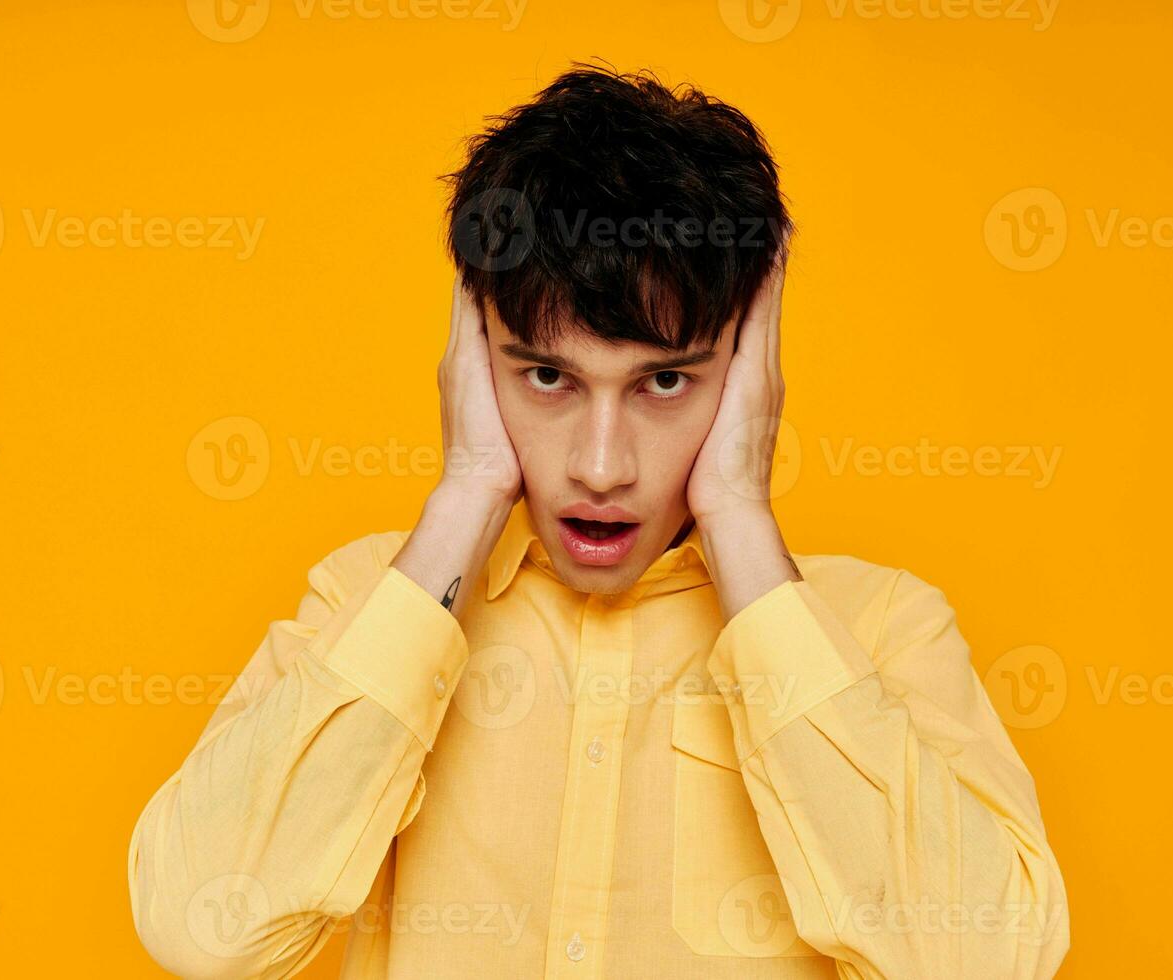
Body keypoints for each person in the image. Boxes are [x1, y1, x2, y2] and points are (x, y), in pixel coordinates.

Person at [128, 64, 1069, 979]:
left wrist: (738, 511)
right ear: (474, 363)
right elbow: (203, 934)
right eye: (547, 376)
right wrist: (466, 490)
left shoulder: (879, 629)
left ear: (748, 372)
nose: (601, 466)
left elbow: (986, 962)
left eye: (665, 381)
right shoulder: (369, 605)